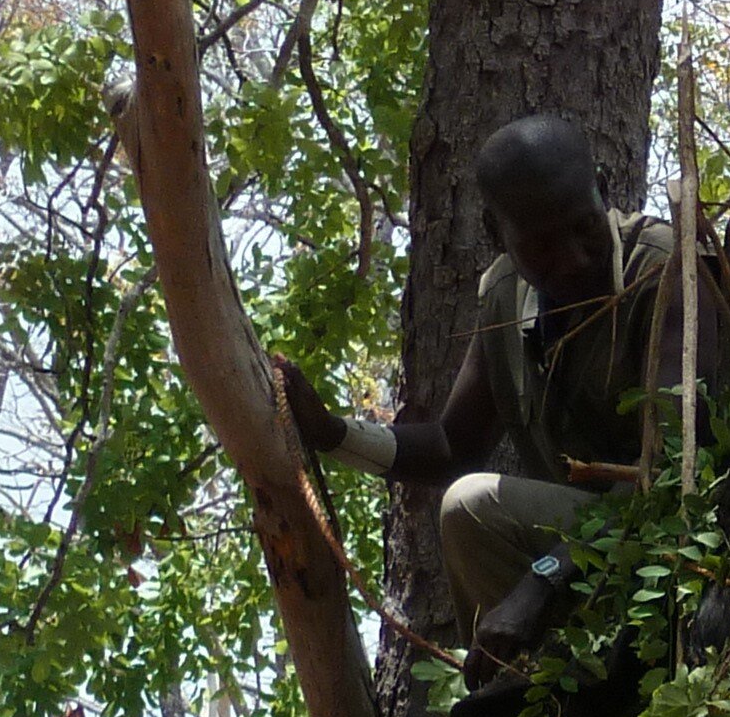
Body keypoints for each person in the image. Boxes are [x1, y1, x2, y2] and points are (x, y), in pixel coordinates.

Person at [277, 115, 708, 662]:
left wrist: (540, 584)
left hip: (669, 544)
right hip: (589, 557)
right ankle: (524, 694)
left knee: (472, 507)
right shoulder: (506, 298)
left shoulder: (666, 269)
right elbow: (453, 446)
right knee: (468, 500)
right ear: (494, 233)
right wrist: (332, 433)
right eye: (544, 245)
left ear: (601, 188)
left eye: (584, 227)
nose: (573, 259)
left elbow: (672, 473)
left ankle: (524, 691)